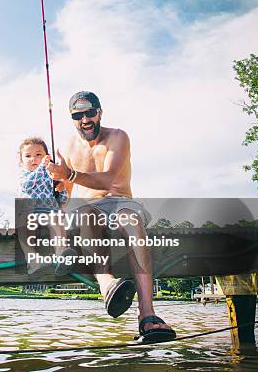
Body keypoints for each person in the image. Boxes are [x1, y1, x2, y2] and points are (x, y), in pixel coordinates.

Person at [44, 91, 176, 343]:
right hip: (87, 208)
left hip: (120, 202)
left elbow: (109, 177)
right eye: (77, 115)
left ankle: (147, 316)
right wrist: (57, 186)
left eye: (90, 113)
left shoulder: (118, 136)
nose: (85, 119)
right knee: (84, 215)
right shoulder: (67, 147)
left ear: (100, 112)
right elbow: (68, 192)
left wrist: (68, 174)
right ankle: (107, 285)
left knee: (133, 223)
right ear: (72, 118)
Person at [17, 137, 76, 276]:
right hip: (29, 212)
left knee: (57, 221)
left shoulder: (51, 175)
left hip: (48, 211)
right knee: (23, 226)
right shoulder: (23, 175)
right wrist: (42, 168)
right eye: (28, 156)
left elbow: (60, 199)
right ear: (21, 161)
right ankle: (32, 260)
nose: (33, 159)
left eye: (38, 155)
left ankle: (62, 253)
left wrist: (61, 189)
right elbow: (27, 186)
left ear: (47, 157)